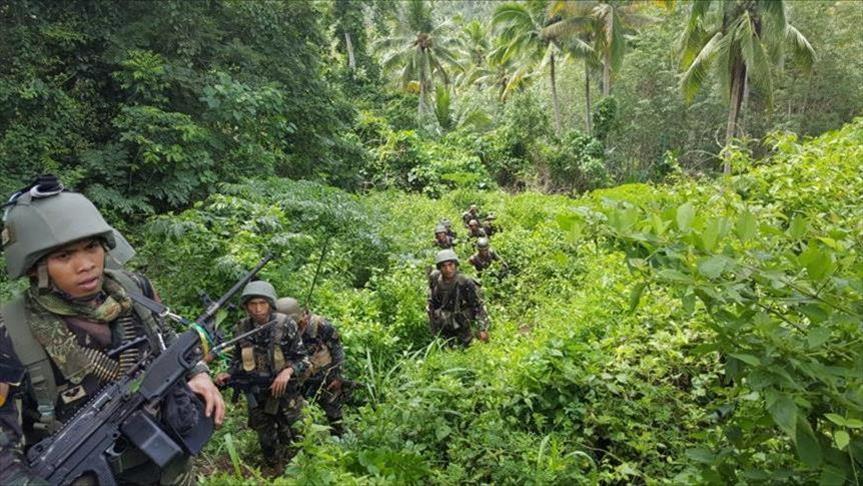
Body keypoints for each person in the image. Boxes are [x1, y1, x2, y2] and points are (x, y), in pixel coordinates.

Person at [0, 175, 225, 484]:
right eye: (64, 255)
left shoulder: (134, 289)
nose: (85, 265)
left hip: (168, 466)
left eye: (91, 246)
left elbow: (166, 338)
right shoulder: (12, 331)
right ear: (34, 267)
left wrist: (198, 373)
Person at [215, 281, 308, 467]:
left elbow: (303, 360)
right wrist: (227, 374)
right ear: (246, 306)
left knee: (295, 433)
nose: (258, 309)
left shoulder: (285, 324)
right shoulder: (241, 329)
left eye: (262, 303)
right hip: (256, 394)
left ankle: (302, 468)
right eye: (253, 304)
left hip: (284, 392)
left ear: (270, 304)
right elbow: (237, 361)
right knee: (266, 438)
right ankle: (274, 468)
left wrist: (287, 371)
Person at [276, 297, 346, 437]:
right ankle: (303, 440)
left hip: (324, 375)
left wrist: (338, 377)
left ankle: (339, 437)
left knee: (333, 410)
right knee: (296, 415)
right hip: (298, 376)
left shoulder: (321, 326)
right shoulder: (279, 329)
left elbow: (337, 350)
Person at [427, 249, 490, 346]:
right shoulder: (435, 279)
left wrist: (482, 328)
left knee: (467, 344)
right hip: (443, 320)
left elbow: (479, 305)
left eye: (450, 265)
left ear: (456, 265)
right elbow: (432, 301)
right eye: (444, 266)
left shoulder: (465, 281)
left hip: (461, 321)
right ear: (439, 268)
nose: (448, 269)